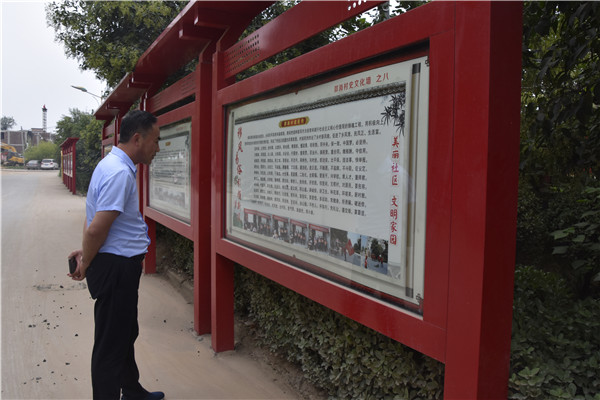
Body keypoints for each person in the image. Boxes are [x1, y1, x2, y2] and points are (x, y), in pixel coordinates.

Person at [68, 110, 163, 400]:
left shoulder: (108, 164)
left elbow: (92, 218)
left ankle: (132, 391)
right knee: (110, 346)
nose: (158, 147)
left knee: (124, 333)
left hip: (117, 264)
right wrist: (87, 260)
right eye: (155, 140)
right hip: (116, 269)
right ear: (138, 139)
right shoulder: (119, 173)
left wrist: (86, 253)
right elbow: (97, 229)